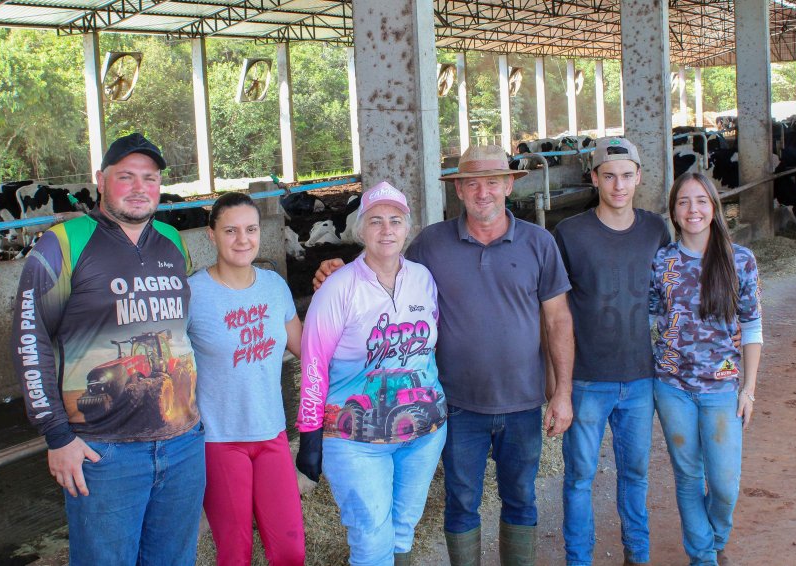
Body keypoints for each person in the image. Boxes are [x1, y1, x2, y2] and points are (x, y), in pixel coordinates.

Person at [313, 146, 575, 565]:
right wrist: (336, 270)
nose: (483, 192)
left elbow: (559, 320)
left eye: (492, 181)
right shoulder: (432, 244)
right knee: (462, 501)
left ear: (509, 184)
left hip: (524, 399)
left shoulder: (539, 242)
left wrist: (562, 393)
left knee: (521, 497)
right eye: (471, 183)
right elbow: (384, 267)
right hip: (456, 404)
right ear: (459, 190)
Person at [10, 133, 205, 566]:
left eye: (150, 178)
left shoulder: (173, 242)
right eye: (126, 177)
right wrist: (57, 435)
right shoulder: (60, 245)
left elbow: (187, 326)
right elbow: (30, 339)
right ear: (100, 180)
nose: (140, 188)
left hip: (183, 446)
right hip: (104, 453)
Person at [296, 181, 447, 566]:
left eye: (395, 221)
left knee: (403, 527)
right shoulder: (338, 287)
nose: (386, 230)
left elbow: (430, 351)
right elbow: (313, 364)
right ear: (360, 230)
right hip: (355, 436)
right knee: (370, 535)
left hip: (423, 432)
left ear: (407, 228)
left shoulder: (422, 279)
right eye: (375, 221)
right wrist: (310, 437)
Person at [553, 137, 670, 566]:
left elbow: (672, 294)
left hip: (641, 376)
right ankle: (578, 559)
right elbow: (554, 311)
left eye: (626, 175)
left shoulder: (656, 229)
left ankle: (637, 556)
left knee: (635, 474)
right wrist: (557, 385)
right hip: (586, 379)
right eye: (608, 176)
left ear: (638, 176)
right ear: (594, 178)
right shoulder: (569, 233)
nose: (618, 185)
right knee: (580, 476)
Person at [650, 172, 762, 566]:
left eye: (700, 201)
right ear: (674, 212)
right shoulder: (662, 260)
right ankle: (702, 557)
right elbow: (651, 316)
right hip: (672, 387)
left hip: (721, 389)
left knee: (724, 483)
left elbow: (752, 327)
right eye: (683, 202)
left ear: (713, 207)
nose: (692, 209)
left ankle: (716, 537)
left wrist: (747, 390)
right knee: (687, 475)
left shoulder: (740, 259)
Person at [187, 192, 305, 565]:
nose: (243, 240)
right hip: (221, 440)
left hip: (271, 434)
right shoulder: (192, 293)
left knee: (289, 550)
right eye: (231, 230)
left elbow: (307, 348)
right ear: (212, 235)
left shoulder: (274, 286)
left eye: (251, 229)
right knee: (235, 553)